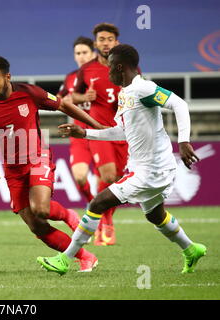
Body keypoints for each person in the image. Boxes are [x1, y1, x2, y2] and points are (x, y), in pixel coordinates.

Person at [37, 44, 206, 275]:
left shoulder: (143, 88)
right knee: (155, 216)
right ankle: (191, 249)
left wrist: (184, 141)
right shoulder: (126, 94)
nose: (107, 74)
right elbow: (121, 131)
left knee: (97, 203)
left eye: (110, 69)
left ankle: (65, 259)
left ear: (119, 67)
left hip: (150, 170)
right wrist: (85, 133)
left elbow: (179, 103)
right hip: (153, 168)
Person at [0, 56, 105, 272]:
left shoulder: (29, 93)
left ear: (7, 77)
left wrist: (95, 126)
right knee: (36, 225)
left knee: (41, 209)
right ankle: (85, 257)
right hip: (12, 169)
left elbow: (64, 105)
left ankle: (68, 215)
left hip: (37, 159)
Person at [71, 23, 126, 246]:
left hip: (122, 129)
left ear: (116, 42)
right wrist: (85, 96)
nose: (105, 43)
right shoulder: (87, 70)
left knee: (118, 180)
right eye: (101, 39)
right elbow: (72, 97)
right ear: (96, 43)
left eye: (109, 39)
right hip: (98, 129)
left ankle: (103, 215)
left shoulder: (126, 65)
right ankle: (105, 219)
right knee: (108, 175)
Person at [57, 36, 97, 206]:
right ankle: (93, 205)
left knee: (107, 179)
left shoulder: (104, 74)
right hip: (79, 133)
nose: (81, 56)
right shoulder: (70, 78)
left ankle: (104, 218)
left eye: (84, 52)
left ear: (93, 53)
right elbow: (60, 100)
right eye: (77, 53)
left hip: (102, 131)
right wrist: (72, 99)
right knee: (80, 177)